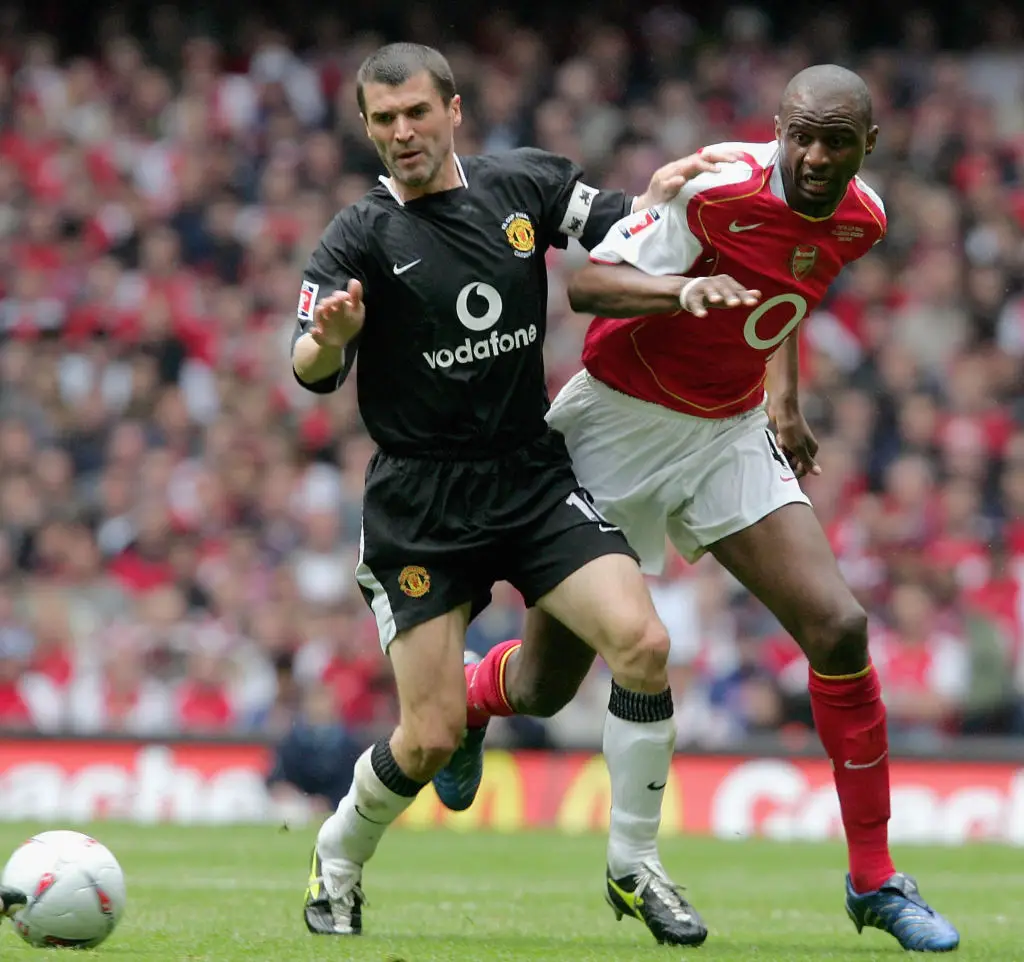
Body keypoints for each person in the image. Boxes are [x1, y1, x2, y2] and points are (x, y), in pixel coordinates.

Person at [439, 64, 960, 953]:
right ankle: (469, 700)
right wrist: (682, 290)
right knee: (545, 684)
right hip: (615, 429)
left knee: (838, 627)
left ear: (867, 145)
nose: (816, 153)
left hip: (727, 434)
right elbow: (591, 287)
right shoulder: (714, 188)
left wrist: (783, 397)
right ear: (779, 126)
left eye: (838, 140)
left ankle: (874, 880)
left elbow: (786, 293)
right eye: (802, 133)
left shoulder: (863, 218)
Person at [292, 41, 732, 944]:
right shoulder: (357, 236)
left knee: (644, 644)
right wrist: (332, 340)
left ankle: (635, 867)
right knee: (423, 740)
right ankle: (337, 860)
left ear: (454, 110)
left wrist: (663, 196)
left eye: (417, 112)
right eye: (383, 120)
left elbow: (619, 227)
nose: (402, 133)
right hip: (421, 507)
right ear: (368, 130)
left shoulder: (522, 187)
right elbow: (307, 367)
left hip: (529, 478)